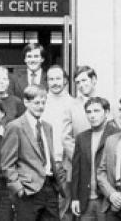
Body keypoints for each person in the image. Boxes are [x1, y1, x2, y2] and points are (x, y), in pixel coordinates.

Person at [0, 85, 65, 221]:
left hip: (49, 187)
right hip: (28, 190)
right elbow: (7, 164)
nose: (40, 106)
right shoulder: (15, 127)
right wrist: (18, 188)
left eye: (43, 103)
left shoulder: (47, 127)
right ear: (26, 102)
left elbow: (48, 157)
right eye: (36, 103)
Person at [70, 97, 120, 221]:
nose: (92, 115)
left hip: (107, 200)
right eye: (89, 112)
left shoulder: (117, 135)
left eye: (96, 111)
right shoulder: (81, 138)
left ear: (107, 112)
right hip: (86, 200)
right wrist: (75, 198)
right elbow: (76, 170)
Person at [42, 65, 75, 220]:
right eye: (51, 79)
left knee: (64, 208)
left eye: (58, 79)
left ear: (65, 81)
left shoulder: (74, 104)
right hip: (42, 164)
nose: (54, 82)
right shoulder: (40, 102)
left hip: (63, 163)